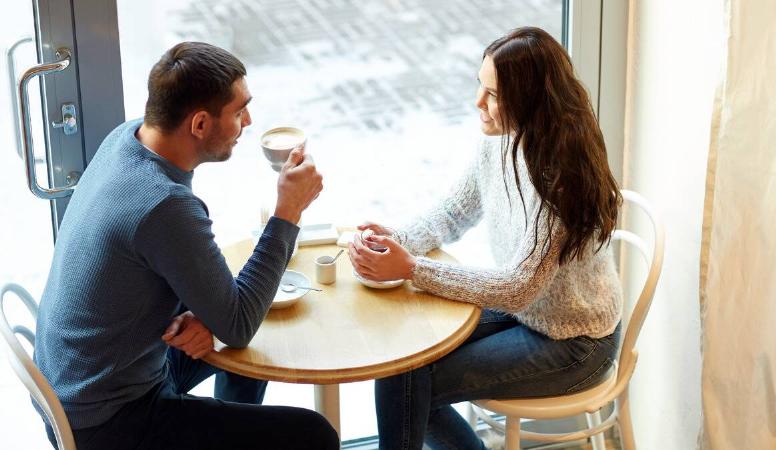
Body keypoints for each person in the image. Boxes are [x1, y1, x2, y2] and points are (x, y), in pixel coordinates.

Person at [33, 42, 338, 450]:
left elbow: (160, 267)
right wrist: (288, 212)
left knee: (244, 333)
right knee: (313, 435)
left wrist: (210, 318)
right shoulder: (164, 204)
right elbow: (240, 325)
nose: (248, 121)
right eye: (238, 111)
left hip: (78, 382)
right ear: (198, 125)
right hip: (111, 420)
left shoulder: (126, 140)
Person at [348, 27, 623, 450]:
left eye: (492, 94)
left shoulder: (560, 176)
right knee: (399, 364)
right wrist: (396, 239)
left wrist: (411, 268)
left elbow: (516, 287)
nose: (478, 102)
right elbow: (455, 211)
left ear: (531, 100)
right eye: (481, 86)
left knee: (406, 387)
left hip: (575, 340)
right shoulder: (502, 143)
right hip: (530, 310)